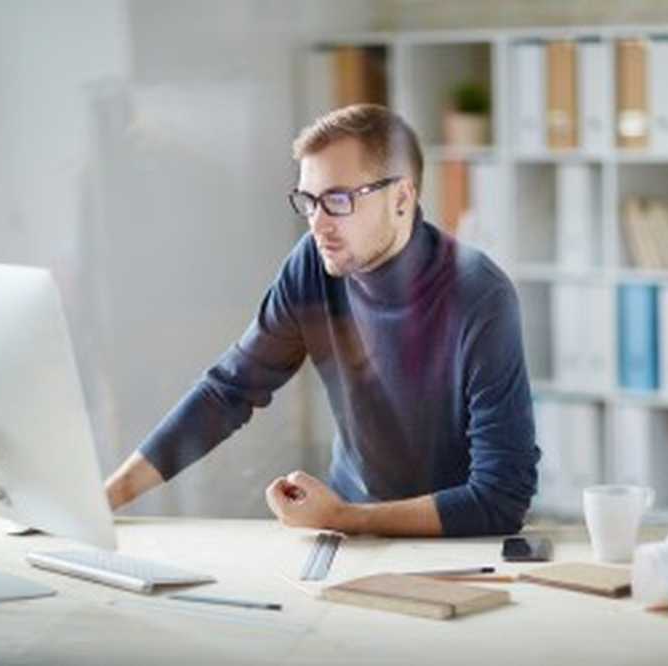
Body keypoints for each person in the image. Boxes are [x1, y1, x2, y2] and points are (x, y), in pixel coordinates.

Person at [104, 103, 540, 537]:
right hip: (350, 534)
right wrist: (106, 497)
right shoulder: (313, 265)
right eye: (309, 202)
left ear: (402, 197)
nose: (318, 224)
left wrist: (342, 518)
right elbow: (227, 392)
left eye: (337, 200)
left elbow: (501, 498)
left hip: (452, 544)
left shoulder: (479, 296)